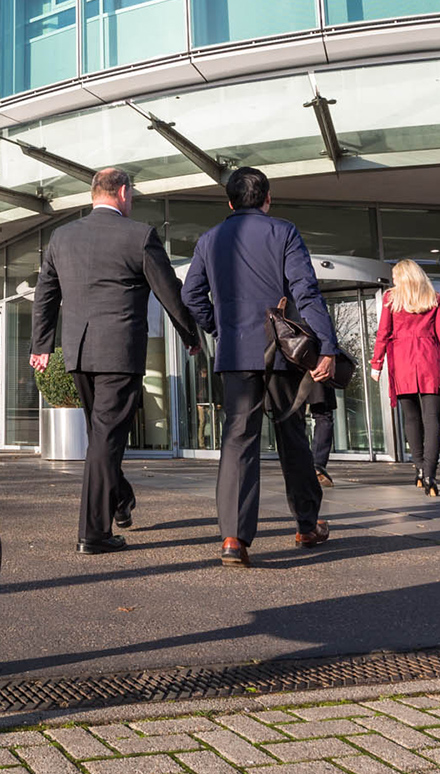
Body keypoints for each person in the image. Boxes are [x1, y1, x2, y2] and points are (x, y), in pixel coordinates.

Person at [30, 167, 201, 554]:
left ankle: (120, 500)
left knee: (101, 437)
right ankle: (93, 533)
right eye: (132, 194)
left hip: (77, 354)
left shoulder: (62, 236)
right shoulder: (139, 235)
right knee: (105, 440)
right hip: (119, 354)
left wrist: (41, 346)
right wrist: (191, 335)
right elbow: (169, 291)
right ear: (122, 192)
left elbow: (45, 294)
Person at [181, 167, 338, 567]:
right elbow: (306, 290)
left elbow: (192, 294)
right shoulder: (283, 231)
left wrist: (219, 327)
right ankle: (306, 524)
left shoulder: (209, 239)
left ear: (230, 202)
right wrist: (326, 347)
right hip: (283, 351)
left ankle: (233, 538)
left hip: (236, 353)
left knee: (238, 439)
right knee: (292, 436)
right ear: (267, 199)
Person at [371, 258, 440, 497]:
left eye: (395, 275)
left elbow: (383, 334)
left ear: (403, 276)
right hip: (431, 361)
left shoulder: (391, 298)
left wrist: (376, 364)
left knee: (411, 418)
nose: (394, 279)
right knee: (432, 420)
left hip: (403, 362)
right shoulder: (434, 297)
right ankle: (430, 473)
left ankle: (419, 468)